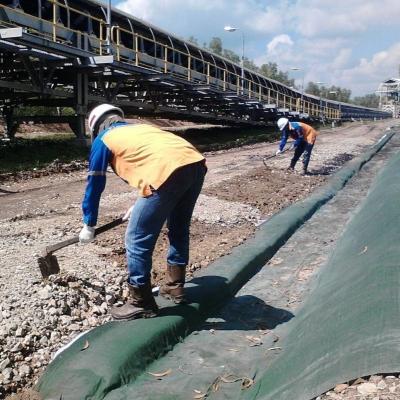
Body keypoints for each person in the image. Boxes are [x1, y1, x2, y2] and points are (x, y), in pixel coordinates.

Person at [79, 104, 207, 320]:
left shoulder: (104, 139)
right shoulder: (139, 128)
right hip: (194, 163)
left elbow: (95, 183)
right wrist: (142, 200)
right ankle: (175, 286)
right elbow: (151, 160)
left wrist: (88, 223)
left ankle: (141, 301)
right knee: (178, 228)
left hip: (167, 171)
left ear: (97, 126)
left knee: (136, 238)